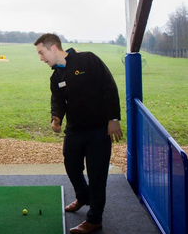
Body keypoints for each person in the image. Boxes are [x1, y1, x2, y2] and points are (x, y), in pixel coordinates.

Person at [34, 33, 123, 234]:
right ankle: (83, 197)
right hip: (74, 130)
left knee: (97, 175)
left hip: (99, 129)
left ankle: (94, 219)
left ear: (53, 48)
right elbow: (57, 100)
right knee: (71, 165)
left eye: (41, 53)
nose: (41, 58)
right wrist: (56, 117)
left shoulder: (87, 59)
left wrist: (114, 119)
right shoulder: (56, 76)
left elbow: (109, 86)